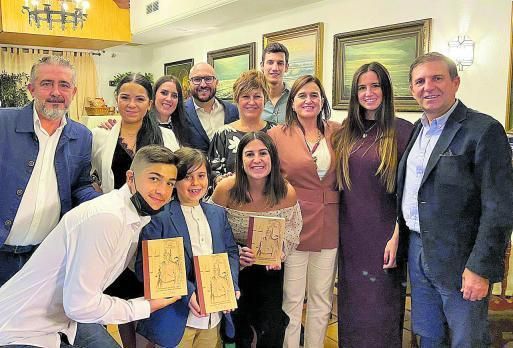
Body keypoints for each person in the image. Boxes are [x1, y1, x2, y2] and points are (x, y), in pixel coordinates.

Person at [0, 145, 181, 348]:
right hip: (21, 329)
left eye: (170, 183)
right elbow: (80, 305)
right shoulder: (108, 217)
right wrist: (143, 307)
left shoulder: (133, 216)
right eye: (154, 178)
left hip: (63, 320)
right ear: (130, 178)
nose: (162, 191)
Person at [397, 52, 513, 347]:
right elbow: (413, 191)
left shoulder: (483, 130)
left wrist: (480, 268)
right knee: (427, 333)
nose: (428, 87)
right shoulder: (417, 129)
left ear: (456, 82)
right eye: (420, 81)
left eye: (437, 78)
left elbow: (499, 206)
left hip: (462, 258)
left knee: (466, 339)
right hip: (418, 249)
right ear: (412, 89)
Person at [91, 73, 179, 348]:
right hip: (114, 225)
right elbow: (91, 175)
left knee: (147, 292)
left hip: (152, 224)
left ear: (150, 103)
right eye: (125, 97)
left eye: (139, 98)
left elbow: (173, 179)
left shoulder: (165, 136)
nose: (131, 104)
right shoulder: (101, 134)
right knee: (114, 291)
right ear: (115, 100)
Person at [331, 62, 413, 347]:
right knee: (352, 311)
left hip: (385, 237)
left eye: (375, 85)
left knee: (382, 311)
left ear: (386, 90)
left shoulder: (403, 132)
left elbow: (410, 192)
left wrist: (397, 233)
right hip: (350, 235)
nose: (368, 92)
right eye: (362, 87)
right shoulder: (345, 132)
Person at [0, 55, 100, 286]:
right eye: (47, 84)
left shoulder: (82, 136)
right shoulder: (4, 123)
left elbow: (80, 185)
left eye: (64, 85)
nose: (56, 92)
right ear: (31, 89)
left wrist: (106, 204)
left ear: (73, 92)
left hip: (44, 256)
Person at [135, 147, 239, 348]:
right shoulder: (159, 217)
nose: (196, 183)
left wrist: (231, 284)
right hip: (175, 317)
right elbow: (146, 268)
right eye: (187, 177)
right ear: (175, 182)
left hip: (213, 318)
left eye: (201, 175)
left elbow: (231, 252)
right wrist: (187, 291)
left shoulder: (217, 214)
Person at [211, 131, 302, 347]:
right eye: (249, 154)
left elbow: (292, 231)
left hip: (269, 269)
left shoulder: (286, 192)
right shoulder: (226, 189)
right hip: (232, 268)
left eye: (263, 153)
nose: (257, 160)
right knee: (237, 328)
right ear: (240, 160)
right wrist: (234, 253)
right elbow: (210, 232)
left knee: (270, 326)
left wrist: (281, 252)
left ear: (273, 157)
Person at [268, 75, 340, 348]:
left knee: (322, 298)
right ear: (293, 102)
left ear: (322, 101)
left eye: (314, 95)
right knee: (292, 298)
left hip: (329, 223)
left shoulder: (337, 131)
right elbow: (270, 183)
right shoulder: (277, 135)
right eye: (302, 95)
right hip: (293, 225)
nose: (308, 100)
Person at [208, 70, 276, 184]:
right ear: (236, 100)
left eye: (257, 96)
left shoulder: (275, 131)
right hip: (232, 199)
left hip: (270, 199)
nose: (251, 102)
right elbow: (211, 172)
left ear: (266, 99)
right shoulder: (223, 134)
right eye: (245, 96)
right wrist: (220, 180)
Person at [99, 75, 189, 146]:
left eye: (174, 96)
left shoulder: (185, 126)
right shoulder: (138, 124)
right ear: (153, 97)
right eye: (164, 93)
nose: (169, 99)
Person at [184, 62, 239, 153]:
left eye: (208, 79)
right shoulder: (180, 112)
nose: (203, 84)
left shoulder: (232, 111)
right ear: (189, 83)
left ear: (216, 82)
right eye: (197, 79)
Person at [260, 42, 290, 124]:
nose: (275, 68)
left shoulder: (295, 98)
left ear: (286, 67)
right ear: (262, 66)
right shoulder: (252, 99)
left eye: (280, 63)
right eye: (270, 62)